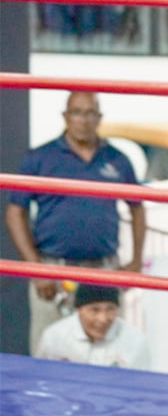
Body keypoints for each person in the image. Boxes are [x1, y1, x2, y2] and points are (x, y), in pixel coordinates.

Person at [5, 91, 146, 353]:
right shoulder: (40, 158)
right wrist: (36, 268)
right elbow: (15, 212)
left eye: (90, 113)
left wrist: (136, 261)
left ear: (99, 117)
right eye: (77, 112)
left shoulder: (117, 159)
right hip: (54, 267)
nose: (83, 120)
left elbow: (138, 207)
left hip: (103, 268)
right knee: (49, 350)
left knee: (111, 349)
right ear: (65, 117)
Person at [35, 283, 150, 370]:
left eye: (110, 309)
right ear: (78, 310)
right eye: (94, 310)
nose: (103, 319)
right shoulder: (54, 337)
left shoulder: (135, 341)